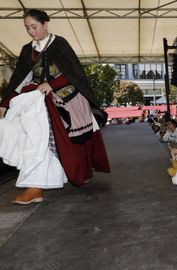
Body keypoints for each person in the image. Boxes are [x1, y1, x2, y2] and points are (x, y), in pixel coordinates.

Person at [0, 9, 110, 204]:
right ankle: (36, 185)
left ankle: (36, 187)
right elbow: (20, 78)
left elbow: (74, 72)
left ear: (45, 24)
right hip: (34, 95)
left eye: (34, 26)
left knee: (39, 136)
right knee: (22, 131)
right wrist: (5, 104)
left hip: (63, 95)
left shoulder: (59, 44)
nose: (31, 31)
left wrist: (52, 85)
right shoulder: (28, 49)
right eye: (27, 28)